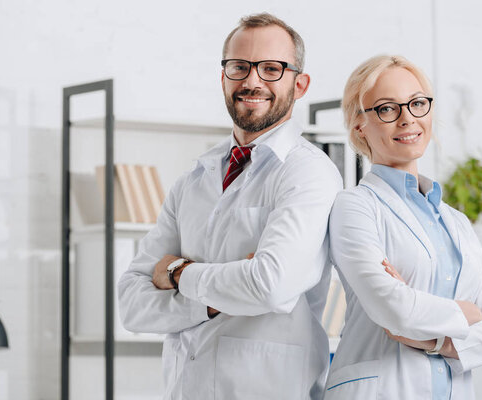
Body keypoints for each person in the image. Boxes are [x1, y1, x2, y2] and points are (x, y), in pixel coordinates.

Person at [118, 13, 342, 400]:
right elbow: (131, 305)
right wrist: (215, 302)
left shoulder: (309, 173)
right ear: (223, 77)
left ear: (299, 84)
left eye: (272, 69)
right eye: (239, 67)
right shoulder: (193, 179)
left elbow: (269, 285)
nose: (252, 81)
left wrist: (176, 272)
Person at [324, 54, 482, 399]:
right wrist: (467, 313)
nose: (407, 119)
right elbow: (393, 309)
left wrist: (435, 340)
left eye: (417, 104)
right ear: (359, 126)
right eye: (386, 109)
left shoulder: (456, 222)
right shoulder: (354, 207)